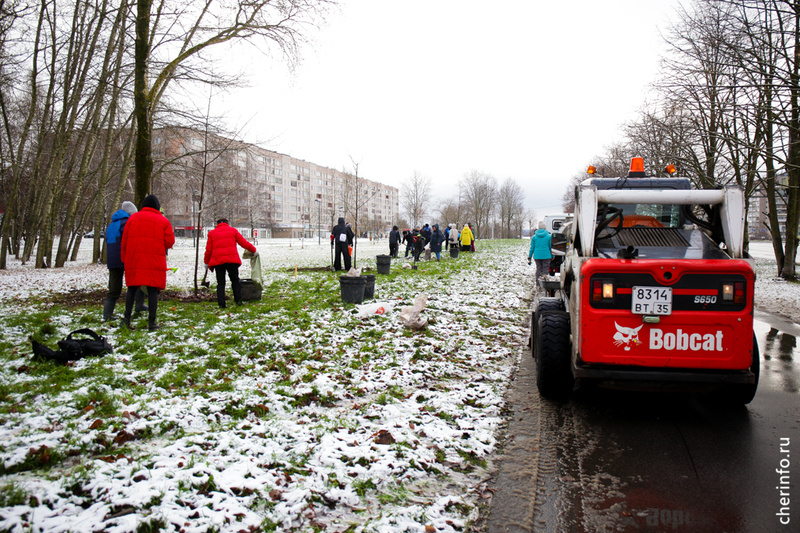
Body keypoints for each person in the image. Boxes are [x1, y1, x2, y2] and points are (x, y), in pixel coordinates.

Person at [121, 194, 175, 331]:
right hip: (154, 260)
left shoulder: (132, 219)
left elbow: (124, 242)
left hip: (134, 259)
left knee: (132, 289)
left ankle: (126, 319)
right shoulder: (163, 221)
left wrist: (125, 259)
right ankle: (151, 322)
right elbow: (170, 242)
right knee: (152, 290)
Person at [103, 201, 146, 321]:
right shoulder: (127, 223)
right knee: (136, 283)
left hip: (112, 261)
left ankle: (107, 314)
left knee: (113, 288)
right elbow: (133, 241)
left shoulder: (112, 224)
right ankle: (138, 305)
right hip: (126, 258)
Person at [204, 218, 257, 308]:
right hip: (232, 260)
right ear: (227, 223)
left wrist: (206, 262)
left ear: (217, 224)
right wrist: (254, 250)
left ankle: (222, 304)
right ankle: (238, 301)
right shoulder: (233, 231)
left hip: (218, 261)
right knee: (235, 280)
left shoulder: (212, 233)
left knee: (221, 283)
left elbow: (208, 250)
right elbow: (243, 243)